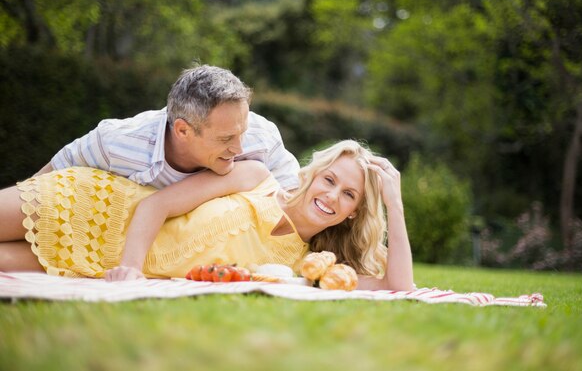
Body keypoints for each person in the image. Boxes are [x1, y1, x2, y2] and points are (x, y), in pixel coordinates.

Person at [0, 140, 414, 291]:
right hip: (97, 205)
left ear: (352, 213)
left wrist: (393, 203)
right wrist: (129, 271)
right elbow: (155, 204)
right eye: (329, 180)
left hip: (99, 263)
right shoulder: (257, 177)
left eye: (347, 195)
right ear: (314, 174)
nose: (331, 196)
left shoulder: (302, 268)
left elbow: (398, 284)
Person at [35, 64, 300, 191]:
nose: (239, 147)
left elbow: (296, 205)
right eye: (226, 138)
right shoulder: (117, 143)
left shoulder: (262, 138)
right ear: (183, 130)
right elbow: (39, 186)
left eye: (242, 131)